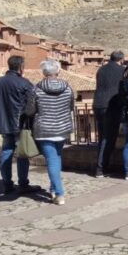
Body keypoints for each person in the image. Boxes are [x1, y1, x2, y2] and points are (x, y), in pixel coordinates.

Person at [24, 60, 74, 205]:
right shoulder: (68, 88)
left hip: (44, 129)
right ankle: (53, 188)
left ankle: (59, 193)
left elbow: (30, 111)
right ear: (58, 71)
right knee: (56, 158)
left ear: (44, 73)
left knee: (52, 159)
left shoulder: (36, 89)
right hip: (62, 128)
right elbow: (71, 107)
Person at [0, 55, 39, 195]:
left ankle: (7, 184)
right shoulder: (24, 83)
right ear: (21, 67)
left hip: (3, 123)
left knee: (6, 151)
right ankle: (23, 184)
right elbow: (31, 105)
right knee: (22, 153)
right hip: (20, 123)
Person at [93, 51, 125, 177]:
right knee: (109, 138)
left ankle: (102, 166)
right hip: (111, 106)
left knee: (102, 137)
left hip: (98, 105)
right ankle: (100, 168)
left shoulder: (101, 69)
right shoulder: (122, 70)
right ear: (121, 59)